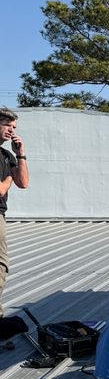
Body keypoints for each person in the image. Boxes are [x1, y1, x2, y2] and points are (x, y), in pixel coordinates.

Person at [0, 108, 30, 317]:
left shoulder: (6, 155)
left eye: (14, 127)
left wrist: (21, 155)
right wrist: (9, 178)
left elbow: (24, 182)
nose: (11, 131)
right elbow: (1, 189)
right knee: (1, 264)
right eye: (7, 125)